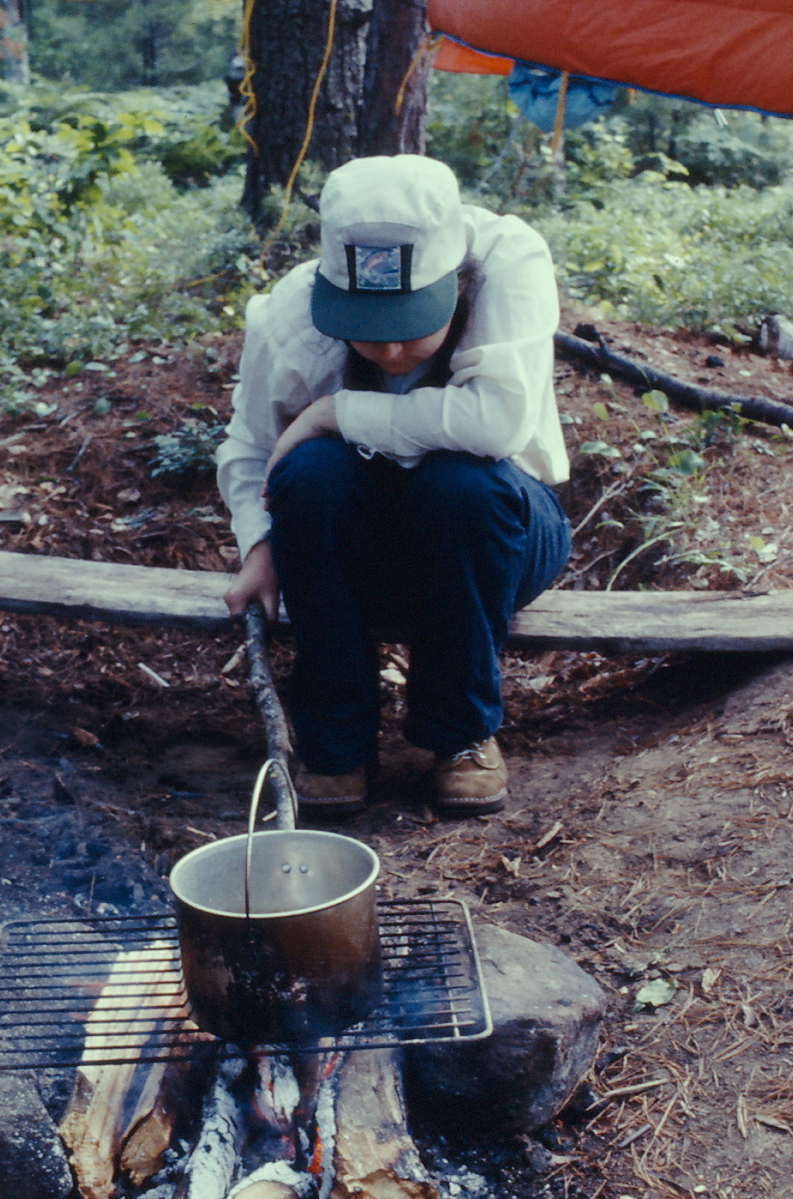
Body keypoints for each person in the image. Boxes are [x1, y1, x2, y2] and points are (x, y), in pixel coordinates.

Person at [217, 154, 570, 816]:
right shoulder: (289, 315)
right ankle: (335, 742)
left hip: (497, 531)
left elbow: (494, 424)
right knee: (309, 473)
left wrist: (334, 412)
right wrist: (258, 543)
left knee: (459, 486)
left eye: (409, 329)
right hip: (360, 543)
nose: (387, 353)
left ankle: (459, 733)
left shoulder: (506, 263)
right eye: (367, 331)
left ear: (454, 284)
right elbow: (251, 447)